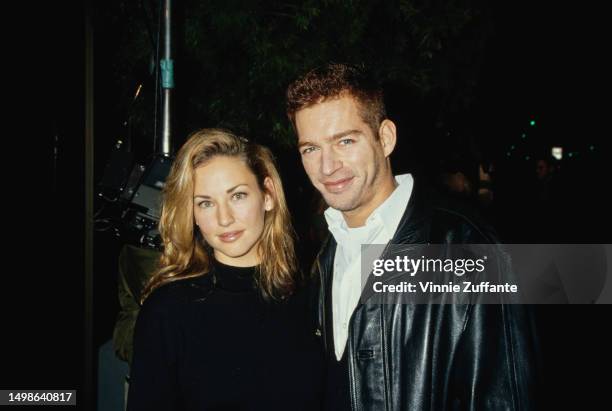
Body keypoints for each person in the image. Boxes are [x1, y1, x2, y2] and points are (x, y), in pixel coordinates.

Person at [286, 63, 538, 410]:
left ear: (385, 138)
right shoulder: (324, 257)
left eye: (345, 141)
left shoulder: (467, 247)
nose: (327, 166)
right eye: (310, 149)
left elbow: (506, 397)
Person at [127, 129, 323, 411]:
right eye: (206, 203)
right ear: (192, 213)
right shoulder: (168, 310)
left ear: (267, 195)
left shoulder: (313, 295)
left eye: (238, 196)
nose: (224, 218)